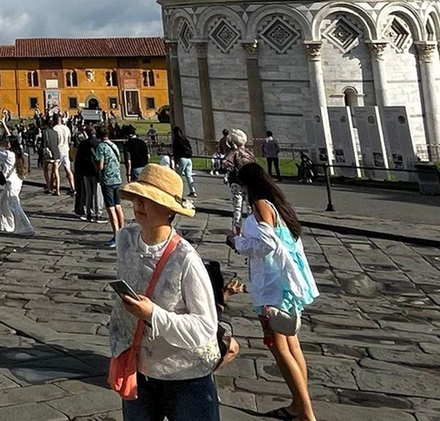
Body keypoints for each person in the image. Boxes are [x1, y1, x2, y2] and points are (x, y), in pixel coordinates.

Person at [109, 164, 220, 421]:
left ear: (169, 210)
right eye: (137, 197)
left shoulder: (186, 259)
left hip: (184, 375)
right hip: (139, 368)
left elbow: (205, 327)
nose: (139, 204)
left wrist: (154, 314)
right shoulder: (126, 239)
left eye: (148, 199)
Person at [228, 164, 320, 421]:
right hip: (288, 283)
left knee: (278, 346)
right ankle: (297, 404)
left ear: (246, 186)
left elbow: (267, 244)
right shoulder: (279, 205)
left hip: (273, 286)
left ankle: (306, 412)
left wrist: (237, 242)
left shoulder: (260, 205)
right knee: (292, 344)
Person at [0, 135, 34, 235]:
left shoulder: (8, 154)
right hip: (17, 180)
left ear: (12, 144)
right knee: (4, 202)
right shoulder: (18, 152)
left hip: (11, 182)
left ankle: (26, 226)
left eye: (7, 142)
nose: (5, 143)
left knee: (14, 205)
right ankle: (7, 225)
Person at [94, 127, 126, 247]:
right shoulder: (114, 145)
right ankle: (122, 232)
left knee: (110, 208)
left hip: (107, 180)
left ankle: (116, 235)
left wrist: (95, 164)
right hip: (117, 178)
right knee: (118, 206)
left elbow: (100, 166)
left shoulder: (101, 147)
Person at [223, 129, 256, 231]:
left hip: (236, 182)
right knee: (250, 207)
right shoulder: (249, 154)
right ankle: (252, 229)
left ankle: (238, 232)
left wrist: (230, 172)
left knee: (237, 207)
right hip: (249, 183)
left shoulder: (233, 153)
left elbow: (225, 163)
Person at [73, 125, 100, 222]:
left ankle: (88, 211)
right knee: (97, 194)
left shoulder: (83, 144)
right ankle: (98, 212)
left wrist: (77, 171)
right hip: (96, 171)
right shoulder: (98, 143)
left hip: (85, 171)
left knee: (87, 192)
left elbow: (78, 159)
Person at [40, 116, 72, 196]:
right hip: (63, 150)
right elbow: (68, 139)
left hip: (55, 150)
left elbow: (47, 143)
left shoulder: (53, 129)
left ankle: (49, 186)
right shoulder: (66, 128)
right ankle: (66, 188)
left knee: (48, 170)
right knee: (64, 170)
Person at [171, 127, 196, 197]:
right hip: (189, 159)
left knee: (178, 176)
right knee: (189, 176)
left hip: (182, 159)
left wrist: (176, 162)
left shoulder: (176, 141)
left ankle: (177, 191)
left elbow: (176, 152)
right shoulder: (185, 139)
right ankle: (192, 190)